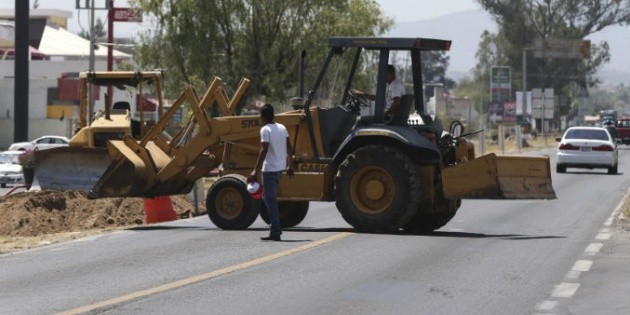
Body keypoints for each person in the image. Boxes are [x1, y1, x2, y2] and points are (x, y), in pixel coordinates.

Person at [250, 104, 294, 241]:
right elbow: (289, 148)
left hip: (269, 170)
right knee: (271, 199)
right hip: (280, 169)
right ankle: (275, 227)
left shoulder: (265, 130)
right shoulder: (282, 128)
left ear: (262, 116)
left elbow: (264, 150)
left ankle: (275, 231)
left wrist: (255, 170)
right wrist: (290, 165)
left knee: (270, 201)